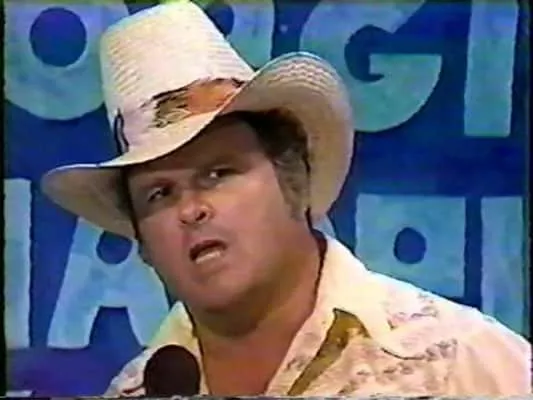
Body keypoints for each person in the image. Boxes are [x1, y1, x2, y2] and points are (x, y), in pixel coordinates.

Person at [41, 1, 531, 397]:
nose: (191, 209)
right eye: (160, 193)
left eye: (218, 173)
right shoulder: (133, 391)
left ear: (293, 178)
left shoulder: (464, 362)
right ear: (143, 244)